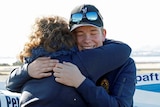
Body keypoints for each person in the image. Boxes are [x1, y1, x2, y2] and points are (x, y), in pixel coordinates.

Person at [5, 4, 136, 107]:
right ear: (71, 38)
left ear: (104, 34)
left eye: (93, 32)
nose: (87, 40)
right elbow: (10, 84)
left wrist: (80, 82)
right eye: (80, 34)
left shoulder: (124, 63)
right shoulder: (67, 58)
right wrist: (27, 70)